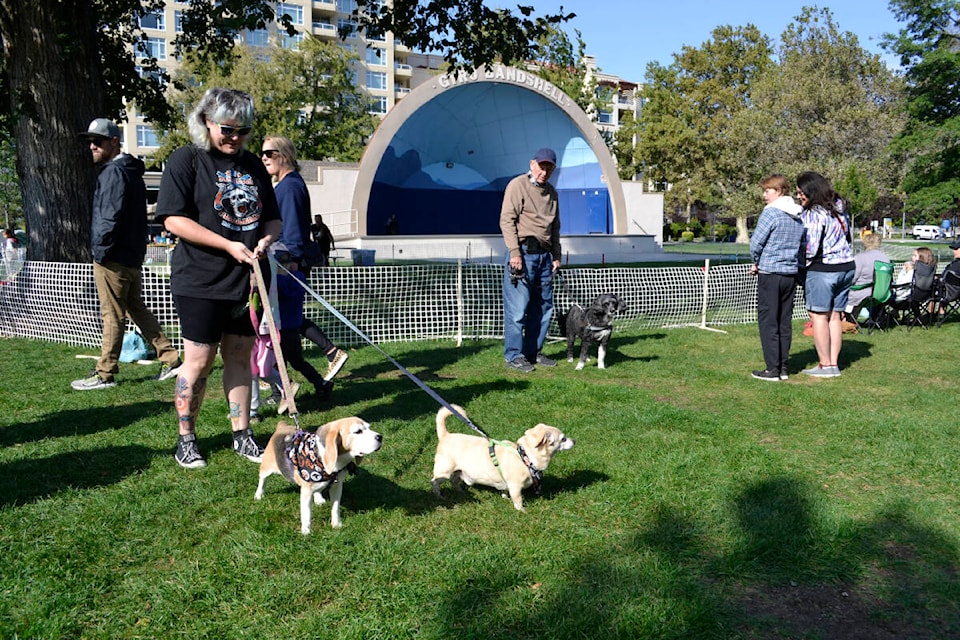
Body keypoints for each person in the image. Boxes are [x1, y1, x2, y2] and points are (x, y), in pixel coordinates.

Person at [154, 88, 281, 469]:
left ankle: (242, 434)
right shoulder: (186, 160)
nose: (236, 138)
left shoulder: (254, 167)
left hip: (248, 279)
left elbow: (272, 217)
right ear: (206, 121)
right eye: (227, 129)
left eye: (244, 131)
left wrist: (265, 239)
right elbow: (173, 219)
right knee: (199, 361)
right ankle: (186, 439)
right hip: (201, 280)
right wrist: (227, 245)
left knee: (240, 358)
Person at [71, 118, 183, 391]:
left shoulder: (113, 173)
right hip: (132, 257)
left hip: (113, 257)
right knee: (136, 308)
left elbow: (108, 219)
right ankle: (171, 359)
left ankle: (105, 373)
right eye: (90, 142)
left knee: (112, 315)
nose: (92, 146)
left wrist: (100, 252)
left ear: (113, 142)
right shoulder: (132, 172)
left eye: (98, 141)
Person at [261, 137, 348, 385]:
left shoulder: (288, 187)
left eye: (269, 152)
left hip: (287, 261)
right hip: (286, 260)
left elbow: (293, 230)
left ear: (284, 154)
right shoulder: (290, 185)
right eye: (262, 153)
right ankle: (321, 359)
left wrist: (291, 261)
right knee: (286, 321)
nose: (264, 157)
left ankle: (285, 379)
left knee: (283, 321)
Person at [500, 147, 561, 372]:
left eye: (549, 168)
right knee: (517, 309)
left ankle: (533, 352)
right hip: (522, 254)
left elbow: (555, 227)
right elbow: (507, 220)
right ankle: (514, 355)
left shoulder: (552, 193)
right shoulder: (517, 185)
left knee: (543, 308)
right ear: (532, 164)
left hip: (545, 257)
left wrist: (556, 255)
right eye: (541, 167)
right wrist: (515, 253)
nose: (544, 172)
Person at [796, 171, 855, 378]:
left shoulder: (814, 213)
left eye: (800, 192)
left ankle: (825, 364)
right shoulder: (840, 208)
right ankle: (834, 364)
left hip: (823, 269)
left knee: (818, 316)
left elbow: (810, 248)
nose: (799, 196)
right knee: (836, 316)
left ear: (810, 190)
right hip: (846, 266)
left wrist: (798, 262)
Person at [748, 174, 804, 381]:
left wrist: (756, 261)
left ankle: (772, 369)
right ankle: (782, 367)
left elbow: (756, 244)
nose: (764, 195)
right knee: (784, 322)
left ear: (779, 191)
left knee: (768, 321)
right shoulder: (797, 215)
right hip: (789, 275)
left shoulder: (771, 213)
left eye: (767, 190)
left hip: (770, 274)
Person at [846, 231, 892, 316]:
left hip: (861, 294)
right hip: (881, 294)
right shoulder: (886, 259)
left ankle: (847, 320)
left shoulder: (860, 258)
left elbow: (853, 278)